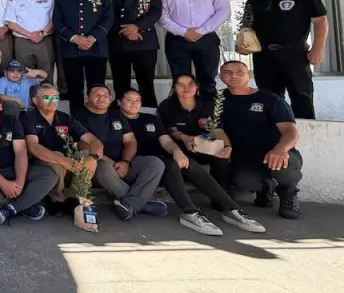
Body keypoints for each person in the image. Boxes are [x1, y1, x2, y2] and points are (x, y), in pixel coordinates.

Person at [121, 88, 264, 236]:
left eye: (137, 100)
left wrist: (177, 152)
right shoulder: (116, 118)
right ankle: (190, 212)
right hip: (141, 163)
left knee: (189, 164)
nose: (134, 103)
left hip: (162, 157)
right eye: (129, 100)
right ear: (119, 101)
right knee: (170, 166)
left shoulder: (150, 119)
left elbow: (165, 141)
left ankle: (232, 209)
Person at [219, 61, 304, 219]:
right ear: (220, 76)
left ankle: (288, 195)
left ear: (249, 75)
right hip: (244, 157)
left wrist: (281, 149)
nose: (234, 76)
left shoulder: (269, 98)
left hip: (275, 152)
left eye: (239, 72)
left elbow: (290, 130)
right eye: (228, 72)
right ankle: (266, 188)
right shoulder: (218, 100)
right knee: (242, 182)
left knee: (284, 165)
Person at [244, 0, 328, 119]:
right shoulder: (254, 0)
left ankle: (305, 134)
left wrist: (318, 48)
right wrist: (243, 45)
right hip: (264, 56)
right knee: (269, 97)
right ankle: (274, 133)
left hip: (294, 54)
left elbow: (320, 21)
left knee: (301, 96)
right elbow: (247, 28)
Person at [72, 84, 167, 221]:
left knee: (155, 163)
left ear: (110, 99)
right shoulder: (78, 116)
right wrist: (113, 163)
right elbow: (84, 147)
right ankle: (141, 204)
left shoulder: (116, 115)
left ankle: (130, 204)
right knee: (104, 168)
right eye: (97, 95)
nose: (101, 98)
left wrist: (125, 162)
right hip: (98, 165)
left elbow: (130, 141)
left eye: (105, 96)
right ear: (87, 97)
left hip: (122, 163)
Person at [0, 90, 57, 225]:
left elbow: (20, 152)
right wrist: (3, 183)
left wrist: (19, 182)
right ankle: (23, 205)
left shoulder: (12, 121)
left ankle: (11, 208)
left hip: (12, 168)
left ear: (1, 106)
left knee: (48, 174)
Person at [23, 83, 103, 214]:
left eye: (55, 98)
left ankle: (74, 198)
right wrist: (64, 160)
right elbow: (34, 147)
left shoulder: (64, 117)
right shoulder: (28, 117)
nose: (53, 101)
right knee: (57, 158)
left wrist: (93, 157)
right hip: (39, 162)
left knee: (85, 158)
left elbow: (93, 140)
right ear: (35, 101)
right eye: (47, 98)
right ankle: (56, 200)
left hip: (65, 158)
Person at [159, 0, 230, 99]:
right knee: (180, 82)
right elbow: (162, 17)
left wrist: (201, 31)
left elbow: (223, 12)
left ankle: (208, 118)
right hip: (177, 40)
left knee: (208, 81)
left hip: (207, 39)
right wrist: (184, 32)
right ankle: (182, 117)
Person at [41, 0, 99, 99]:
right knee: (54, 63)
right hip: (53, 28)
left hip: (75, 29)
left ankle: (72, 97)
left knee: (70, 67)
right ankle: (56, 96)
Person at [52, 0, 113, 106]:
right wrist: (75, 38)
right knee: (74, 89)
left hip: (97, 48)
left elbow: (108, 18)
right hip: (71, 50)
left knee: (97, 88)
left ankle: (97, 120)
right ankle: (77, 122)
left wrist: (92, 38)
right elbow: (57, 22)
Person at [157, 74, 232, 189]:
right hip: (180, 147)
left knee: (221, 156)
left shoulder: (208, 105)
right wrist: (184, 137)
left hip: (204, 145)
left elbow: (216, 129)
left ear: (197, 86)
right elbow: (171, 130)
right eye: (180, 85)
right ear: (174, 88)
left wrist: (226, 145)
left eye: (190, 84)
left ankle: (224, 198)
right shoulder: (166, 107)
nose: (186, 88)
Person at [107, 0, 161, 108]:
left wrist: (137, 27)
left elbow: (155, 12)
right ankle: (122, 121)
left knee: (146, 83)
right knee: (120, 83)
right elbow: (107, 16)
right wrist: (126, 30)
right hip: (119, 43)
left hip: (144, 42)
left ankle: (149, 119)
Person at [4, 0, 55, 80]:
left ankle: (47, 96)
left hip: (44, 39)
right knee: (24, 72)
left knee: (46, 70)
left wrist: (43, 33)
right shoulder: (14, 1)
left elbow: (54, 19)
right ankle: (28, 97)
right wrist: (29, 35)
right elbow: (11, 23)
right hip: (23, 42)